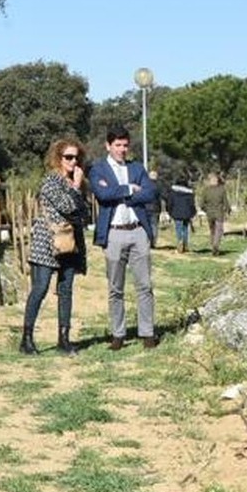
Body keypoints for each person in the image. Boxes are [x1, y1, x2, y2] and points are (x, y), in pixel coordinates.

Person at [90, 125, 158, 350]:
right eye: (117, 145)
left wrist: (121, 194)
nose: (122, 150)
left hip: (138, 230)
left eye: (125, 145)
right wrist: (130, 189)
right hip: (114, 232)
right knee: (115, 288)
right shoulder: (98, 170)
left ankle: (147, 332)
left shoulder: (137, 168)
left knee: (145, 285)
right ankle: (118, 334)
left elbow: (150, 193)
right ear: (108, 146)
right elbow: (102, 194)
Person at [21, 137, 90, 355]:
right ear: (58, 158)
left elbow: (85, 212)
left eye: (76, 157)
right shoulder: (51, 181)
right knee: (40, 289)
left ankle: (64, 338)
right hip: (48, 241)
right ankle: (27, 338)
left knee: (66, 290)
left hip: (70, 243)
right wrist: (76, 188)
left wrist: (78, 188)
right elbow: (68, 207)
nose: (73, 161)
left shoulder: (77, 182)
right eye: (68, 157)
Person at [198, 172, 231, 255]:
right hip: (219, 213)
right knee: (219, 230)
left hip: (209, 214)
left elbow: (201, 204)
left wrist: (206, 210)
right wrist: (228, 210)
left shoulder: (206, 190)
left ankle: (213, 245)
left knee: (212, 230)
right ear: (217, 180)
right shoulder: (222, 189)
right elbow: (225, 202)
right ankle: (216, 245)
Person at [166, 177, 196, 252]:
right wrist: (193, 213)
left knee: (178, 228)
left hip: (176, 212)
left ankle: (180, 241)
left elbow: (170, 203)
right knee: (185, 228)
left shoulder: (173, 192)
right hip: (187, 213)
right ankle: (185, 244)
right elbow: (192, 204)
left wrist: (169, 211)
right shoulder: (190, 193)